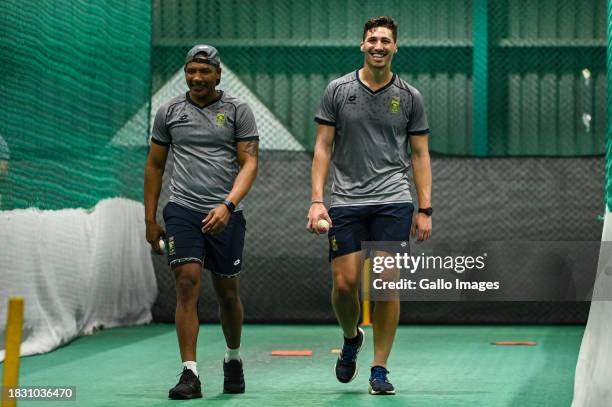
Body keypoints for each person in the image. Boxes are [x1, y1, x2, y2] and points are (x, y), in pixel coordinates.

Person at [307, 16, 432, 395]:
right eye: (372, 40)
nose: (379, 46)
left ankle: (379, 368)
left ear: (395, 48)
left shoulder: (410, 97)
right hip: (345, 202)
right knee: (345, 286)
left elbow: (420, 154)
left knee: (386, 283)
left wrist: (424, 208)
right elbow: (323, 147)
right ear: (362, 45)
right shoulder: (338, 90)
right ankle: (351, 337)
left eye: (386, 41)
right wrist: (317, 201)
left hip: (394, 200)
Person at [144, 44, 259, 399]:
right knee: (187, 281)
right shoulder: (169, 112)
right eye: (191, 71)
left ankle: (233, 358)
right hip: (182, 210)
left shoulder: (238, 110)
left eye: (204, 71)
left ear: (218, 74)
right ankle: (189, 374)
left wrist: (227, 205)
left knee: (227, 293)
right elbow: (155, 166)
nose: (196, 77)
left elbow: (249, 163)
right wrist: (149, 219)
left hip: (226, 213)